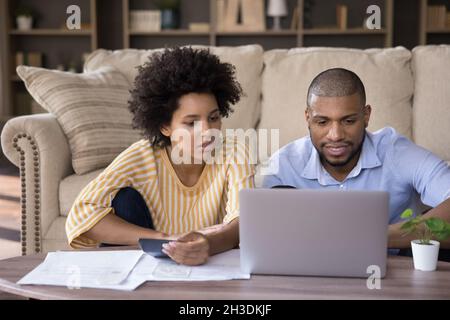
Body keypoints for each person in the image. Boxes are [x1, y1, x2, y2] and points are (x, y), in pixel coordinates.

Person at [66, 47, 255, 266]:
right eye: (191, 123)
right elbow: (81, 215)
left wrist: (207, 243)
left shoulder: (235, 150)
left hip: (211, 261)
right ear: (165, 126)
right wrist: (165, 240)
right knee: (124, 200)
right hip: (150, 259)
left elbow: (242, 219)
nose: (208, 131)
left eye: (213, 118)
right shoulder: (142, 155)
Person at [262, 68, 450, 258]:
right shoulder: (282, 165)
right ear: (308, 118)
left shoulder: (397, 153)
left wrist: (374, 237)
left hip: (392, 272)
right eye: (322, 122)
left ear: (366, 116)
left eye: (348, 121)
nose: (335, 135)